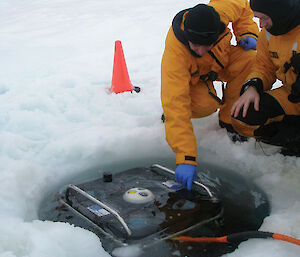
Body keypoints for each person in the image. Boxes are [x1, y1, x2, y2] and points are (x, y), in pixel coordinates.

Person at [161, 0, 259, 190]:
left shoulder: (222, 10)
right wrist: (186, 158)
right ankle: (171, 124)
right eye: (195, 45)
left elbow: (244, 9)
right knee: (204, 106)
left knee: (249, 60)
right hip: (193, 77)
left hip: (219, 62)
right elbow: (175, 101)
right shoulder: (176, 56)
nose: (200, 50)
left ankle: (230, 120)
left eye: (206, 45)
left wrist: (247, 32)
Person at [231, 0, 300, 156]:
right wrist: (253, 86)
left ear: (280, 13)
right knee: (242, 116)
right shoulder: (268, 35)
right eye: (257, 18)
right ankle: (293, 137)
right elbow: (263, 67)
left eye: (264, 18)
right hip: (291, 96)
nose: (261, 25)